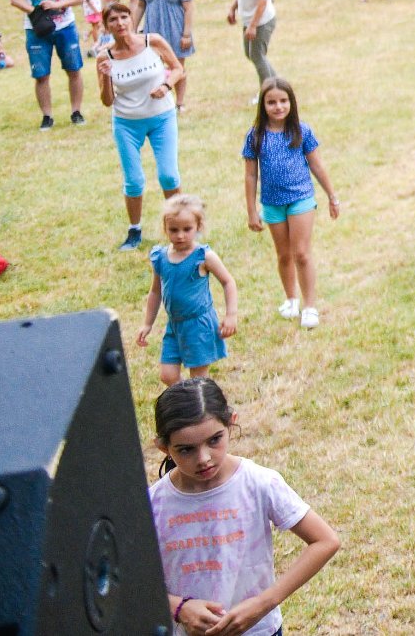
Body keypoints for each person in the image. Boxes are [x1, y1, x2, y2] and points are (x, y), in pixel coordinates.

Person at [149, 379, 340, 636]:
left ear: (230, 424)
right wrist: (178, 607)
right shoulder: (153, 503)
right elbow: (126, 577)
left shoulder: (259, 482)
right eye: (186, 449)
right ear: (164, 447)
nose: (203, 458)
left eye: (215, 440)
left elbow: (325, 541)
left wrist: (263, 603)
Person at [242, 77, 341, 330]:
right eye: (271, 102)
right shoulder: (255, 136)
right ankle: (291, 299)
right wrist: (252, 210)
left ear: (291, 102)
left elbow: (316, 164)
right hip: (272, 204)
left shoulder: (301, 131)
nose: (278, 107)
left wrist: (331, 195)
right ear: (262, 105)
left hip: (300, 199)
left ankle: (310, 306)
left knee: (301, 253)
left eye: (283, 101)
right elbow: (251, 174)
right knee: (283, 255)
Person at [99, 0, 186, 252]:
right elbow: (106, 101)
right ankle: (134, 230)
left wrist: (166, 86)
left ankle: (178, 224)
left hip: (162, 117)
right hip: (127, 122)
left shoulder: (153, 42)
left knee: (169, 175)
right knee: (134, 180)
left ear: (131, 19)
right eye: (113, 20)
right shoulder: (106, 56)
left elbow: (178, 68)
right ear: (106, 26)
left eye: (124, 17)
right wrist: (105, 76)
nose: (120, 23)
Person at [136, 194, 237, 385]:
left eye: (187, 229)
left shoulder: (203, 256)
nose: (180, 235)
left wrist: (231, 315)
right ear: (165, 229)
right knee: (168, 376)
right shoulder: (161, 257)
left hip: (198, 326)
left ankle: (202, 407)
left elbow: (228, 282)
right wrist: (147, 324)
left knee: (198, 379)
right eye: (174, 230)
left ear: (198, 227)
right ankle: (191, 400)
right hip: (174, 325)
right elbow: (155, 291)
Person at [10, 0, 88, 129]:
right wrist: (33, 10)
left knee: (73, 69)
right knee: (41, 74)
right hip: (36, 29)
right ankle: (47, 115)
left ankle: (76, 111)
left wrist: (58, 5)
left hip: (65, 26)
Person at [135, 0, 194, 107]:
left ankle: (179, 103)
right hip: (153, 29)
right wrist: (132, 30)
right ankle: (159, 101)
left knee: (178, 67)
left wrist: (186, 34)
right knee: (153, 67)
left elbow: (189, 8)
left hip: (175, 29)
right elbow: (140, 5)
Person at [228, 0, 279, 87]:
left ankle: (268, 90)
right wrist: (233, 8)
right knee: (250, 54)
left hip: (261, 22)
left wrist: (253, 26)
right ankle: (276, 81)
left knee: (257, 56)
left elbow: (262, 3)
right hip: (248, 21)